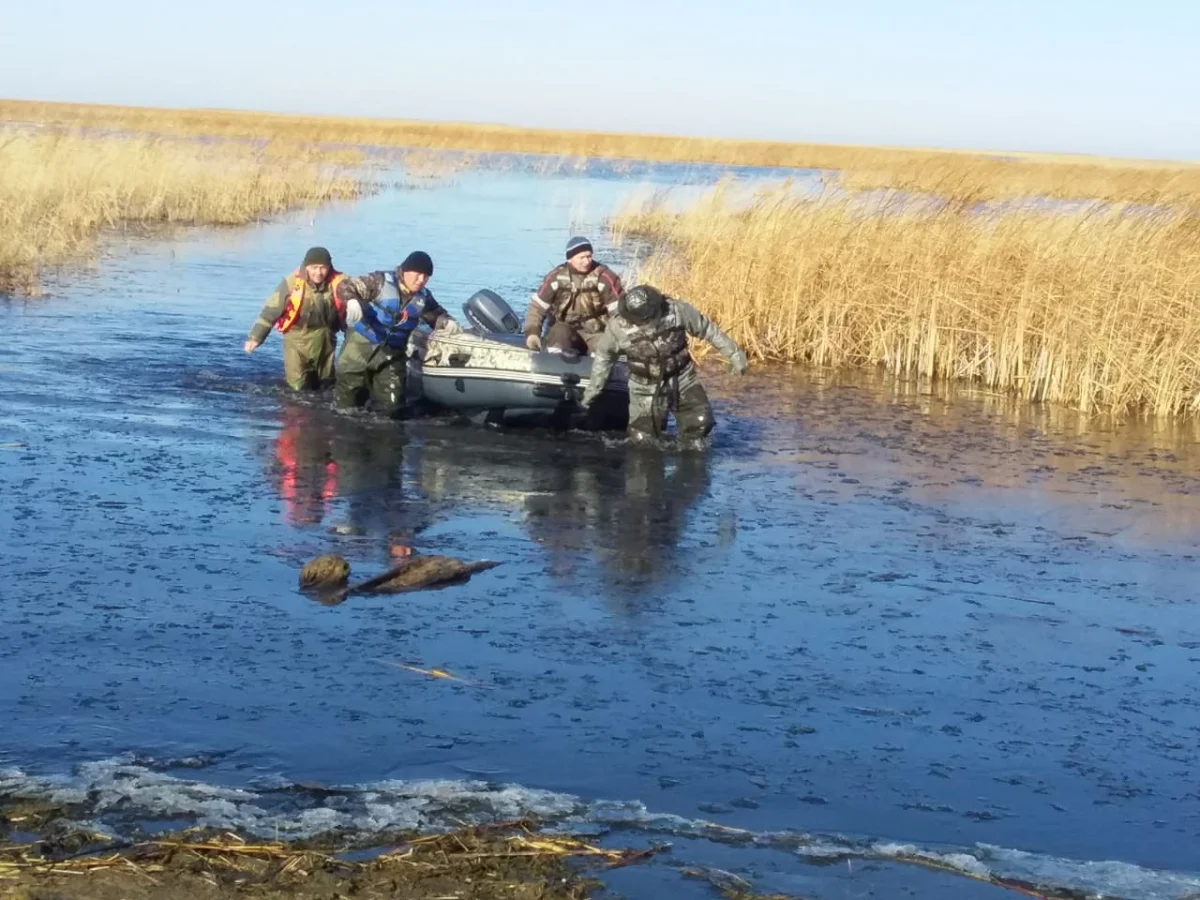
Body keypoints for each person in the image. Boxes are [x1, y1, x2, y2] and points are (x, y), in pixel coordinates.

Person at [580, 284, 748, 445]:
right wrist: (594, 389)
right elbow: (604, 356)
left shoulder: (677, 310)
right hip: (644, 386)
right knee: (643, 439)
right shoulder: (617, 327)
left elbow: (707, 329)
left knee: (701, 423)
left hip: (683, 377)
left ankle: (691, 464)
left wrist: (734, 354)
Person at [334, 250, 462, 417]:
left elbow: (435, 314)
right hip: (361, 344)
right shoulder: (379, 281)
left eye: (426, 276)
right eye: (418, 274)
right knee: (348, 402)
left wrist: (447, 322)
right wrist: (351, 301)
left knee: (392, 407)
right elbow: (345, 286)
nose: (421, 280)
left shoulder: (423, 297)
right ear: (405, 270)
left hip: (393, 352)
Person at [244, 246, 346, 390]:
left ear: (329, 267)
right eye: (314, 267)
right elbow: (271, 310)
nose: (318, 272)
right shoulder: (291, 283)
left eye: (323, 268)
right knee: (297, 388)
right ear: (306, 267)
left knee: (326, 385)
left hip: (326, 341)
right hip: (296, 341)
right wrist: (255, 338)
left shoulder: (340, 283)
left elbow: (359, 307)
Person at [524, 236, 624, 355]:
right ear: (570, 259)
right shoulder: (556, 277)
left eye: (589, 256)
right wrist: (532, 333)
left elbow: (619, 311)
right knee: (559, 333)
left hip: (595, 332)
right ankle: (554, 364)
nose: (587, 261)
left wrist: (621, 337)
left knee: (605, 346)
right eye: (582, 257)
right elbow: (537, 308)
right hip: (564, 329)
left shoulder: (605, 276)